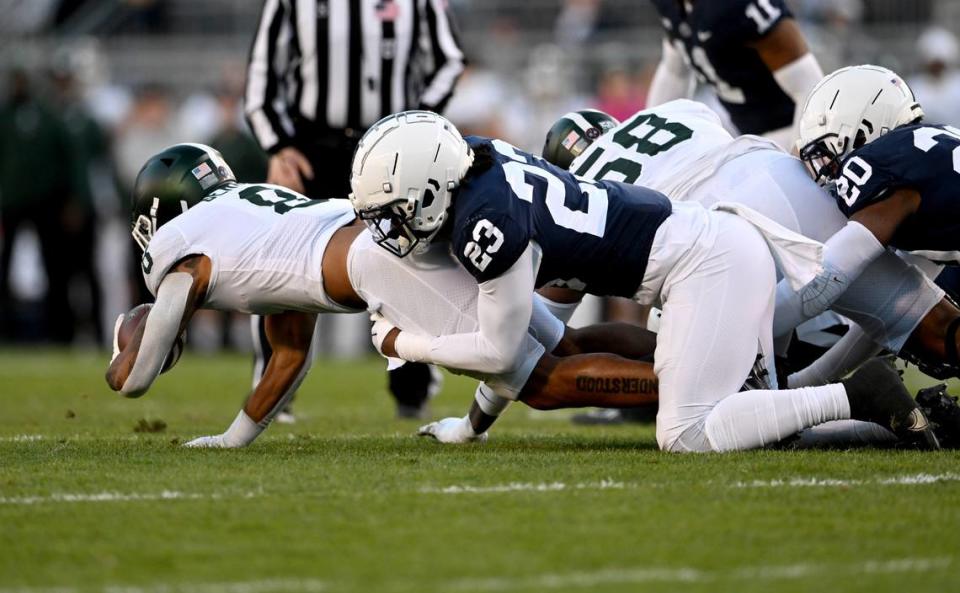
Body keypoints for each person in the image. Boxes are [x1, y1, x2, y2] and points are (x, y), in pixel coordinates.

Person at [349, 111, 937, 452]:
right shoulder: (477, 159)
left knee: (686, 434)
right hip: (713, 250)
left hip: (708, 266)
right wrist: (470, 428)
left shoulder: (487, 221)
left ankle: (859, 394)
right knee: (761, 422)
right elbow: (531, 341)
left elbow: (501, 351)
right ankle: (903, 419)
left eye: (393, 209)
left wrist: (405, 344)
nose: (387, 228)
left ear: (430, 191)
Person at [105, 143, 678, 447]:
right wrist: (233, 439)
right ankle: (714, 359)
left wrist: (131, 334)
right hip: (387, 236)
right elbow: (287, 356)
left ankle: (699, 384)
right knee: (564, 341)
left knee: (540, 381)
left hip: (378, 260)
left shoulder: (189, 247)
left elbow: (133, 380)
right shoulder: (247, 222)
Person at [540, 101, 960, 385]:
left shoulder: (576, 192)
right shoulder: (671, 111)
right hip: (787, 180)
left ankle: (833, 403)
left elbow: (543, 325)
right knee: (936, 326)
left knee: (728, 401)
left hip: (719, 235)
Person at [244, 0, 467, 419]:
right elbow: (262, 76)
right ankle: (274, 390)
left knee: (411, 260)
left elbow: (450, 60)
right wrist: (277, 147)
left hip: (390, 145)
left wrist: (418, 119)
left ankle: (412, 389)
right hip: (312, 147)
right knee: (283, 264)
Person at [790, 65, 960, 378]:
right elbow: (902, 309)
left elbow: (828, 276)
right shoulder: (931, 150)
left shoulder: (881, 162)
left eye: (828, 152)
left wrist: (750, 324)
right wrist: (809, 381)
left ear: (864, 128)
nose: (827, 170)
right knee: (941, 328)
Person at [647, 0, 824, 150]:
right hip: (739, 133)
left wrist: (798, 162)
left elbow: (809, 88)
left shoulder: (739, 5)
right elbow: (674, 71)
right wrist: (649, 143)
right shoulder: (671, 5)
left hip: (788, 130)